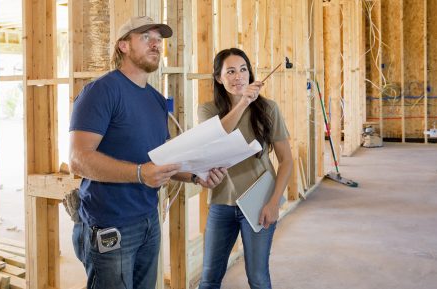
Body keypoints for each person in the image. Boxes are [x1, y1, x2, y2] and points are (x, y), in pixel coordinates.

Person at [69, 16, 226, 289]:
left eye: (158, 39)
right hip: (110, 223)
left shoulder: (155, 99)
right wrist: (140, 174)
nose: (156, 44)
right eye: (145, 37)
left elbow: (160, 161)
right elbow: (78, 159)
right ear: (123, 46)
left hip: (148, 221)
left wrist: (195, 176)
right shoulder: (102, 91)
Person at [198, 48, 293, 289]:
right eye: (230, 71)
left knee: (258, 278)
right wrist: (242, 103)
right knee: (209, 278)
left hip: (259, 203)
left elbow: (286, 160)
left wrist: (273, 203)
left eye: (243, 70)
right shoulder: (208, 111)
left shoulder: (268, 109)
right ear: (219, 78)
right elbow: (217, 138)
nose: (238, 76)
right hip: (222, 204)